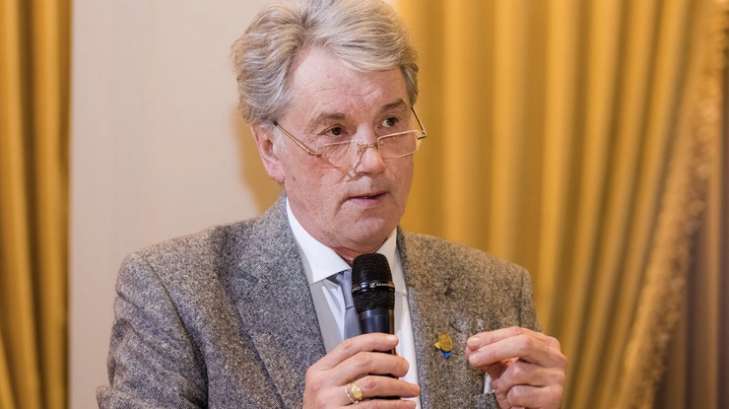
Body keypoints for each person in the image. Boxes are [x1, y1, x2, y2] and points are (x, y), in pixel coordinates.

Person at [97, 0, 567, 408]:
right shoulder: (176, 293)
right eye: (336, 132)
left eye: (390, 122)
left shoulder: (495, 290)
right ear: (270, 148)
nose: (373, 161)